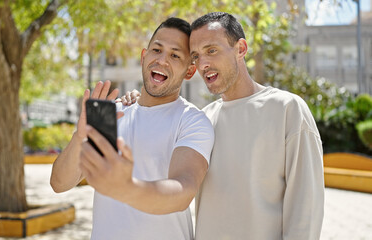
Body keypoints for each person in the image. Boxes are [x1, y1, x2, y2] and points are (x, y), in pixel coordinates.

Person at [121, 12, 325, 240]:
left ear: (241, 49)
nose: (203, 64)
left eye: (212, 50)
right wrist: (137, 103)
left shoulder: (288, 109)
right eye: (196, 56)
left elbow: (306, 207)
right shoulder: (203, 119)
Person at [50, 17, 214, 240]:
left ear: (189, 70)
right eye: (157, 49)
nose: (162, 60)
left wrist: (126, 188)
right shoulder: (112, 114)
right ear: (144, 56)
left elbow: (183, 191)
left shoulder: (193, 121)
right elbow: (59, 184)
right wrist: (79, 137)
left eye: (175, 55)